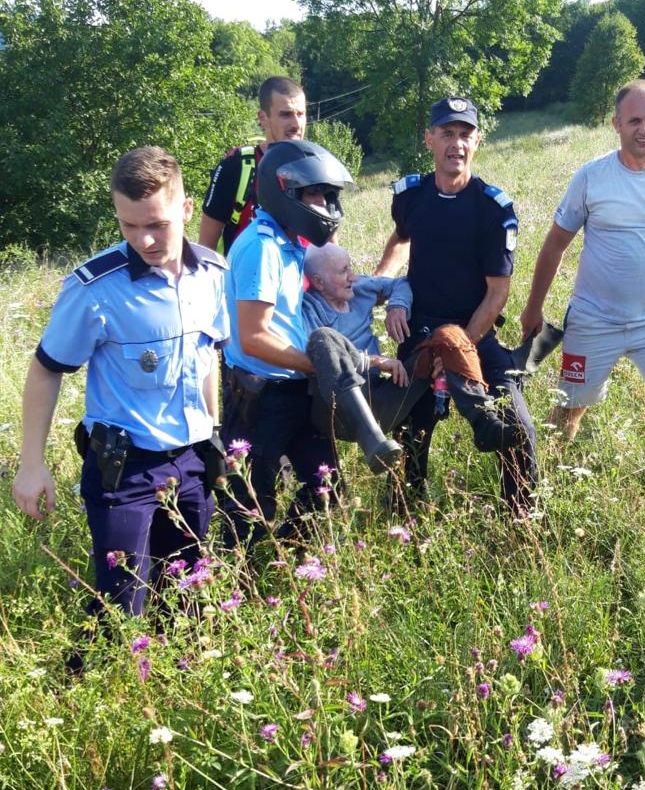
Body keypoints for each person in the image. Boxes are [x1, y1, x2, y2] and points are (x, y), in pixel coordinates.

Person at [12, 146, 230, 617]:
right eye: (129, 226)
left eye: (157, 224)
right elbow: (46, 369)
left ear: (186, 209)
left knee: (188, 602)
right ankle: (92, 681)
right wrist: (32, 464)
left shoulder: (213, 275)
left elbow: (207, 356)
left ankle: (172, 687)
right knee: (121, 604)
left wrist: (213, 430)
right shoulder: (95, 288)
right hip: (124, 469)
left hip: (193, 462)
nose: (144, 240)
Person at [520, 79, 645, 473]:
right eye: (634, 121)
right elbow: (555, 244)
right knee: (568, 410)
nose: (644, 130)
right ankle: (551, 482)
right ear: (616, 124)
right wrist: (533, 309)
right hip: (594, 318)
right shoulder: (592, 177)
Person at [374, 97, 537, 513]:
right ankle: (403, 520)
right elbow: (401, 238)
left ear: (477, 141)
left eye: (465, 134)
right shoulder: (411, 196)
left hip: (477, 331)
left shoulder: (492, 209)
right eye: (447, 133)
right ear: (429, 139)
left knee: (516, 424)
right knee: (407, 430)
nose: (457, 144)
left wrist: (458, 348)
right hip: (421, 331)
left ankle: (524, 521)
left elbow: (497, 292)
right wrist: (383, 284)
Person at [219, 139, 354, 549]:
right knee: (249, 512)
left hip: (293, 390)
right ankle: (237, 588)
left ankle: (291, 560)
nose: (325, 205)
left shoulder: (289, 243)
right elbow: (254, 337)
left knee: (327, 487)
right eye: (315, 194)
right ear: (285, 192)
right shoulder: (262, 247)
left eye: (328, 195)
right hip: (261, 399)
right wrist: (317, 363)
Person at [303, 243, 525, 472]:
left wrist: (397, 306)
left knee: (449, 335)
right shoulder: (308, 309)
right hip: (337, 410)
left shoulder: (358, 289)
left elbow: (401, 283)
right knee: (323, 337)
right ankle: (372, 442)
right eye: (343, 271)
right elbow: (318, 354)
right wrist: (374, 361)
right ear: (319, 282)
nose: (352, 275)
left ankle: (483, 420)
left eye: (350, 267)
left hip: (379, 396)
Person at [199, 76, 307, 255]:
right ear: (263, 118)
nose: (296, 124)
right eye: (286, 114)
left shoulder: (317, 166)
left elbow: (331, 248)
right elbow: (205, 249)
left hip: (306, 281)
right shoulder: (237, 166)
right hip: (249, 280)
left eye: (301, 114)